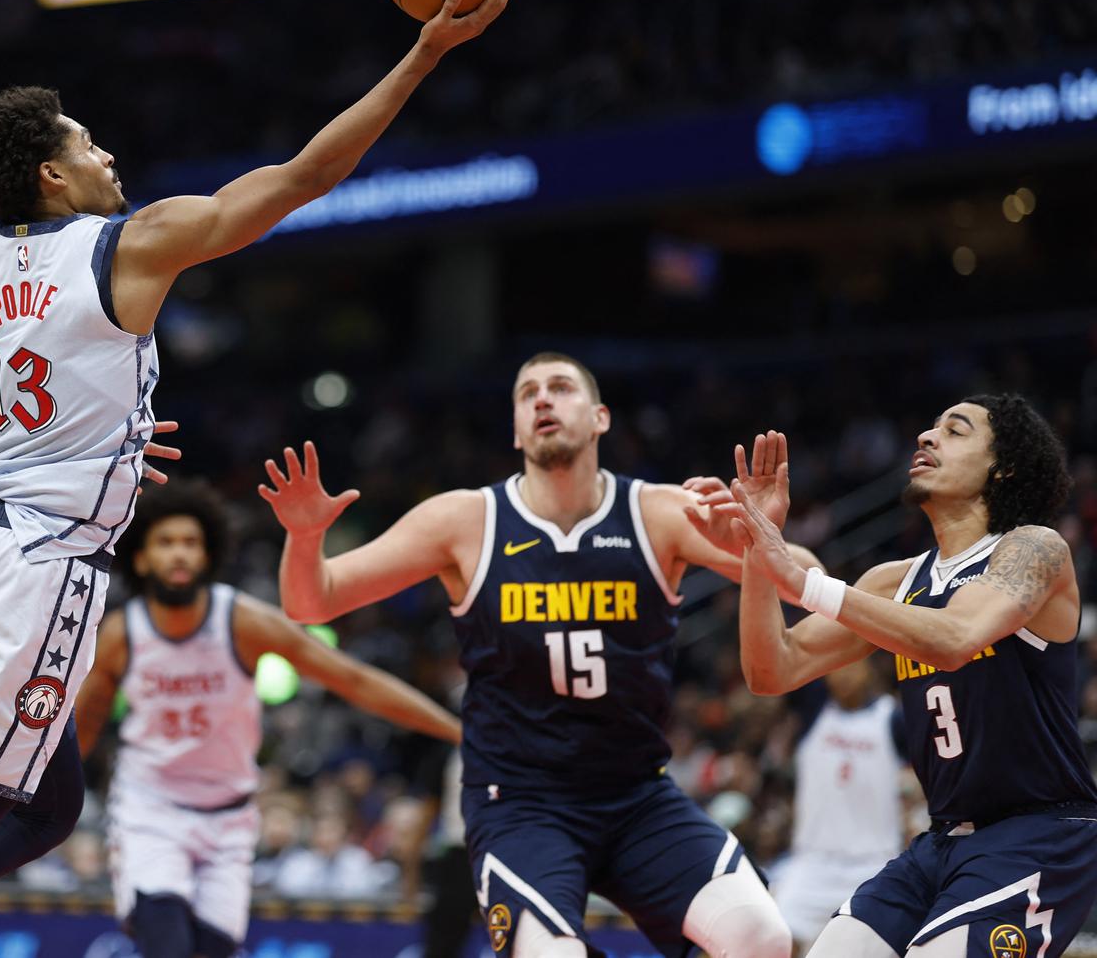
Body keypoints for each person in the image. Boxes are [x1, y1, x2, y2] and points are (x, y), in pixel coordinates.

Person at [0, 0, 515, 958]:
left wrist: (70, 442)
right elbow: (299, 178)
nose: (106, 152)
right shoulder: (124, 244)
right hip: (42, 565)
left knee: (48, 808)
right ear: (50, 173)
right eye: (86, 142)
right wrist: (424, 54)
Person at [259, 352, 809, 958]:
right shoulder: (465, 520)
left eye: (560, 388)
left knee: (763, 937)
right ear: (517, 429)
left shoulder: (660, 511)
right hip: (520, 803)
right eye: (528, 394)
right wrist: (305, 537)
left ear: (600, 417)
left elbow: (808, 584)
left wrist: (759, 540)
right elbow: (313, 602)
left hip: (638, 795)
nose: (543, 400)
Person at [711, 404, 1097, 958]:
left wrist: (804, 580)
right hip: (941, 842)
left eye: (955, 430)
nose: (926, 434)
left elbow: (955, 636)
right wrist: (758, 542)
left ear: (1003, 468)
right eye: (931, 427)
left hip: (1037, 835)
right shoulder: (895, 581)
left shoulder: (1035, 549)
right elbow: (773, 669)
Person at [75, 482, 461, 958]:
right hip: (150, 810)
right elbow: (81, 731)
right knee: (165, 945)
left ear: (209, 554)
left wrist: (458, 730)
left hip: (230, 815)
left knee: (211, 950)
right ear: (141, 558)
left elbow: (353, 680)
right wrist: (39, 806)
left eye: (190, 543)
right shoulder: (121, 634)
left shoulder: (242, 621)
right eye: (166, 542)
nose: (179, 554)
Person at [768, 656, 907, 951]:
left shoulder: (893, 718)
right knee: (773, 938)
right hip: (812, 862)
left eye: (850, 665)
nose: (842, 676)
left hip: (874, 865)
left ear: (869, 666)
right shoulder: (812, 711)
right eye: (834, 668)